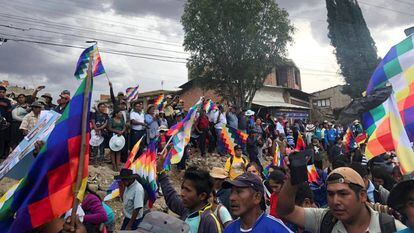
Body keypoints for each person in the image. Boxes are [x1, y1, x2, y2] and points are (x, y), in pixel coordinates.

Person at [277, 167, 406, 233]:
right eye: (330, 194)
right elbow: (286, 211)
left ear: (362, 196)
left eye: (343, 194)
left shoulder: (391, 227)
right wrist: (293, 178)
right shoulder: (325, 219)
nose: (335, 201)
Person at [157, 162, 223, 233]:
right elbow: (171, 197)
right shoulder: (187, 210)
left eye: (188, 190)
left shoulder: (209, 222)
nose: (182, 193)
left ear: (202, 196)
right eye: (182, 188)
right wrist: (161, 173)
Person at [223, 173, 292, 233]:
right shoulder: (229, 229)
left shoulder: (275, 228)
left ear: (257, 197)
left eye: (239, 192)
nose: (231, 198)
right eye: (231, 192)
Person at [0, 85, 12, 159]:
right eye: (0, 92)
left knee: (2, 139)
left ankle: (2, 154)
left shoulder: (7, 101)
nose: (1, 93)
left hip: (3, 124)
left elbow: (9, 113)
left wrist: (9, 122)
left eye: (3, 92)